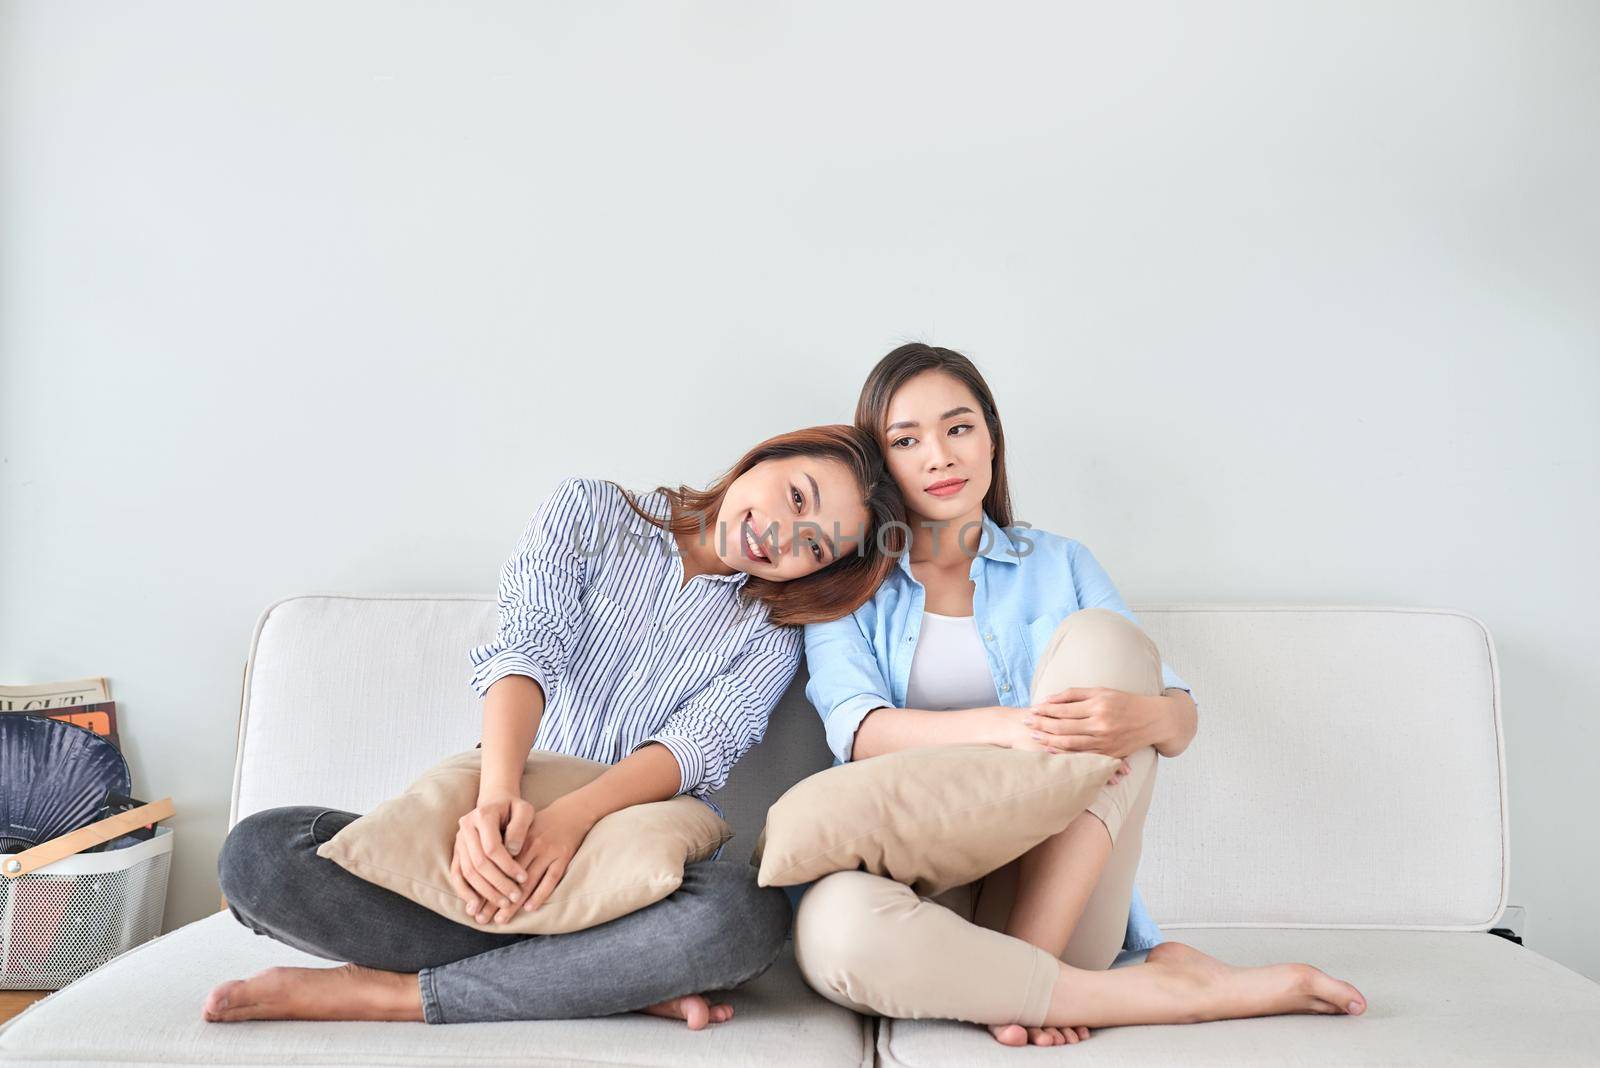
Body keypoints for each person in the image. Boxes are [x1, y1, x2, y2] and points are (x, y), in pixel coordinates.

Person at [203, 424, 905, 1027]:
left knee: (743, 919)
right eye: (796, 497)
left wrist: (570, 822)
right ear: (768, 457)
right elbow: (527, 647)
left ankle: (400, 998)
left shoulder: (773, 631)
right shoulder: (593, 511)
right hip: (499, 825)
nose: (781, 536)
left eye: (814, 548)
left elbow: (696, 746)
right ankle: (605, 982)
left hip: (623, 869)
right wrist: (495, 798)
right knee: (259, 856)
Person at [796, 345, 1367, 1047]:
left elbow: (1178, 717)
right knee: (834, 932)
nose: (940, 457)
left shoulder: (1060, 562)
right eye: (907, 440)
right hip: (919, 897)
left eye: (959, 428)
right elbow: (859, 730)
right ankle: (1166, 993)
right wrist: (1012, 727)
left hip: (1058, 898)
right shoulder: (848, 588)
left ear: (993, 439)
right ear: (882, 465)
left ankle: (1029, 970)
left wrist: (1145, 716)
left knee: (1107, 642)